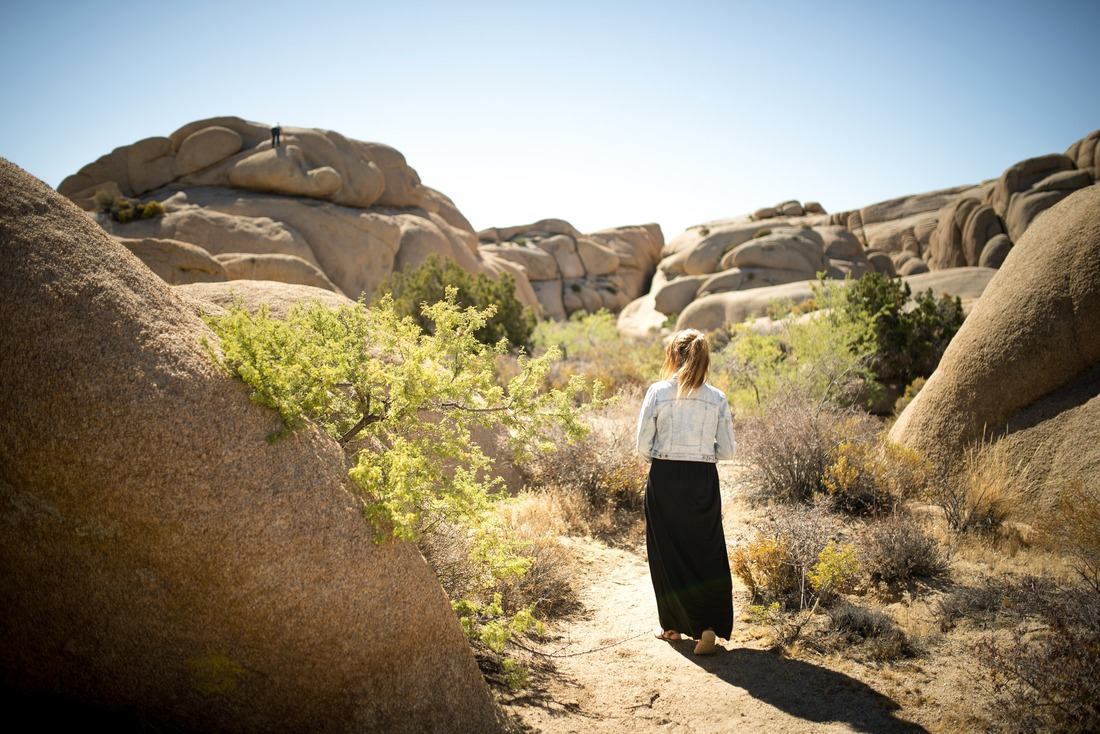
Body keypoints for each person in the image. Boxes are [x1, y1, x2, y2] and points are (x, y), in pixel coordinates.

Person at [635, 328, 736, 655]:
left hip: (665, 477)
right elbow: (729, 451)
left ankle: (673, 628)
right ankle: (707, 627)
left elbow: (641, 445)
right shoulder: (717, 398)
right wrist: (703, 457)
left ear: (674, 355)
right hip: (702, 478)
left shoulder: (657, 392)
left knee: (666, 552)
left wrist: (664, 460)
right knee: (705, 550)